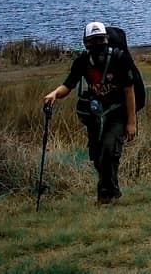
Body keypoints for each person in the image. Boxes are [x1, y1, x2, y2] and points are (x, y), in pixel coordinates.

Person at [44, 21, 137, 204]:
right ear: (85, 43)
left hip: (117, 112)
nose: (96, 45)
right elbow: (68, 85)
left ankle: (103, 196)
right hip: (95, 115)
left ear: (107, 39)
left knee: (110, 150)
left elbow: (129, 90)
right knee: (97, 156)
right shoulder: (82, 62)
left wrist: (131, 122)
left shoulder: (119, 59)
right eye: (92, 41)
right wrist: (55, 94)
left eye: (100, 40)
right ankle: (113, 190)